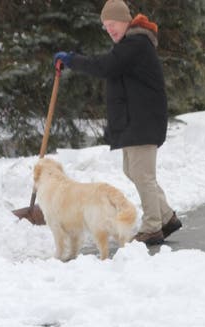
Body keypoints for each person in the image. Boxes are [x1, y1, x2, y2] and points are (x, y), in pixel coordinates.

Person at [54, 0, 181, 247]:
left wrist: (72, 60)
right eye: (105, 26)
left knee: (143, 175)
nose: (110, 29)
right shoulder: (129, 45)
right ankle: (166, 217)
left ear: (124, 20)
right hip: (135, 122)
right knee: (133, 171)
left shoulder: (135, 44)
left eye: (112, 24)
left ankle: (153, 226)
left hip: (142, 122)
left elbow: (105, 67)